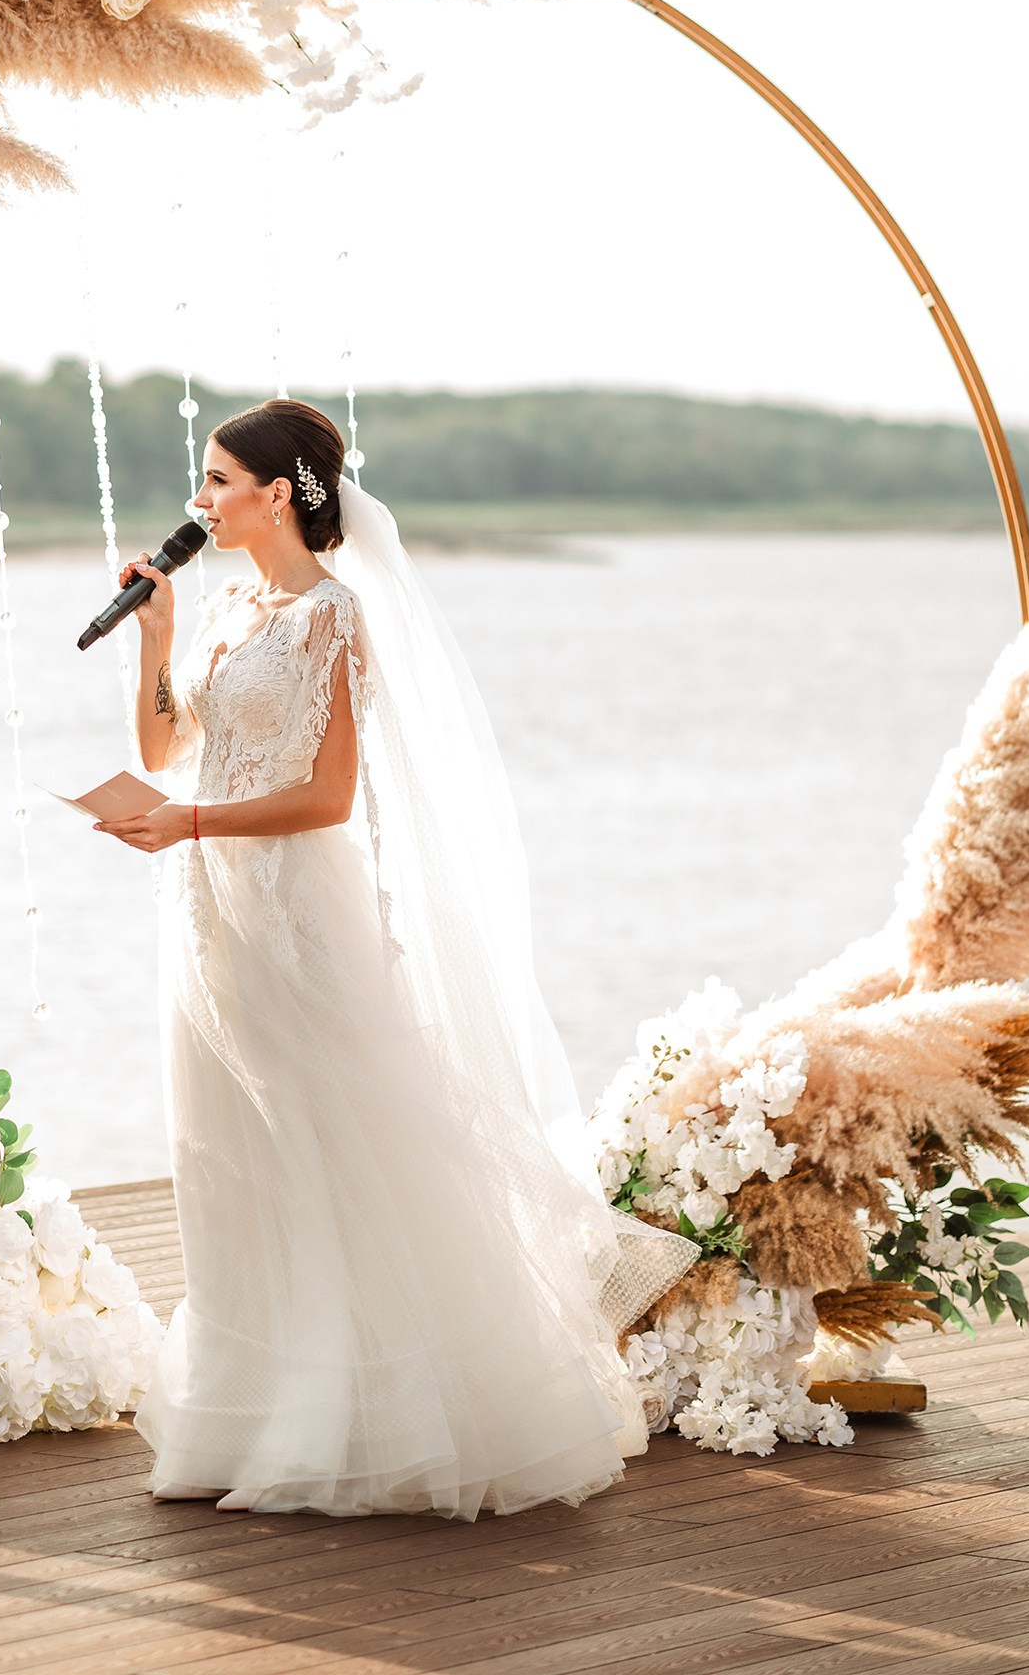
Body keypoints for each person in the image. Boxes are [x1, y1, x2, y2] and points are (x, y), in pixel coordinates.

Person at [96, 396, 671, 1519]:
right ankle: (245, 1409)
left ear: (276, 495)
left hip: (292, 910)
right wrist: (158, 640)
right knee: (226, 1146)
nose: (197, 501)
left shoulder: (331, 619)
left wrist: (193, 824)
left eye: (216, 481)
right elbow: (164, 746)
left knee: (327, 1139)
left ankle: (367, 1415)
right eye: (200, 480)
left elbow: (324, 797)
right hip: (204, 909)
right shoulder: (223, 609)